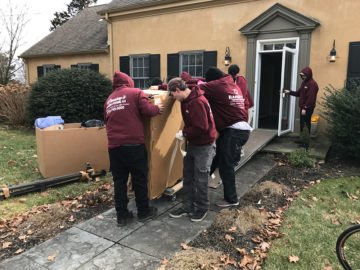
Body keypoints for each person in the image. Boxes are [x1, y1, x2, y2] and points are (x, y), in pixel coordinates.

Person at [104, 71, 164, 227]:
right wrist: (157, 107)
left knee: (119, 182)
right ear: (128, 82)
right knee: (139, 178)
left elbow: (107, 120)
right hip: (133, 144)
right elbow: (148, 111)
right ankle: (143, 212)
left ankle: (122, 216)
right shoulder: (136, 93)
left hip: (114, 147)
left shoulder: (109, 100)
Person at [199, 67, 251, 207]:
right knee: (216, 159)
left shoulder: (217, 86)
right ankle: (200, 184)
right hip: (238, 129)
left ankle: (231, 199)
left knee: (225, 166)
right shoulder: (231, 84)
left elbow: (196, 88)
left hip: (233, 131)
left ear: (212, 80)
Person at [167, 77, 216, 222]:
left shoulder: (197, 102)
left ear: (178, 90)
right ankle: (187, 206)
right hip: (193, 143)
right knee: (188, 176)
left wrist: (185, 133)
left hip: (204, 145)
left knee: (201, 178)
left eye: (172, 94)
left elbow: (202, 127)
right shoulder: (186, 100)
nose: (172, 98)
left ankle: (202, 208)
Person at [284, 67, 319, 148]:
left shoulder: (312, 84)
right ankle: (302, 141)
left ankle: (306, 145)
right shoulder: (304, 83)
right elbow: (298, 93)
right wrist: (289, 92)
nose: (303, 77)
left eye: (304, 75)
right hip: (304, 107)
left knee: (306, 125)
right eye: (302, 76)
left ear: (308, 75)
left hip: (308, 108)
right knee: (302, 124)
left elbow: (311, 98)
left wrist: (305, 108)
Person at [228, 64, 254, 164]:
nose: (231, 77)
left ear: (237, 74)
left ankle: (240, 151)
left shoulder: (241, 80)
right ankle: (237, 149)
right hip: (239, 107)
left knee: (243, 128)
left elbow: (241, 96)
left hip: (247, 107)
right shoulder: (230, 78)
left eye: (233, 75)